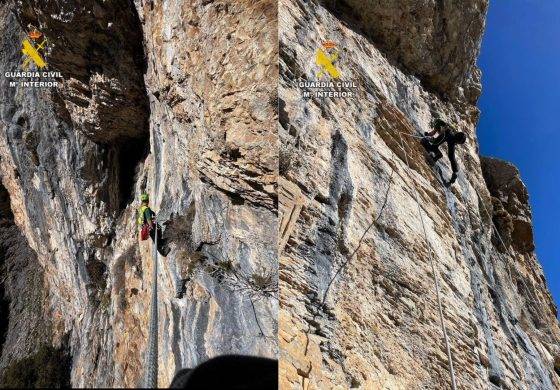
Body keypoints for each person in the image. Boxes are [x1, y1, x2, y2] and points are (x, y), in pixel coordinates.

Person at [421, 118, 467, 186]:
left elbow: (451, 157)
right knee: (435, 150)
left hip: (434, 143)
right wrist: (455, 172)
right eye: (459, 143)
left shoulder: (450, 137)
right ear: (458, 141)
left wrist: (455, 172)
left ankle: (431, 157)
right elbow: (452, 157)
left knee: (438, 153)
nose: (457, 144)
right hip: (433, 143)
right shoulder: (449, 136)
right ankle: (432, 158)